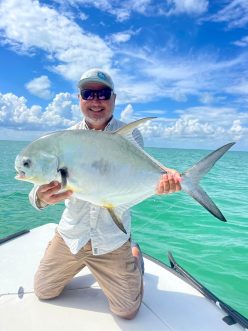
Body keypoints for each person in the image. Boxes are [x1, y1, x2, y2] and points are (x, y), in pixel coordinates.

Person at [29, 68, 181, 320]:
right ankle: (61, 254)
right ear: (79, 99)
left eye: (103, 94)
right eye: (88, 93)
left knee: (127, 312)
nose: (95, 100)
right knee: (44, 292)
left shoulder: (130, 133)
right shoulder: (63, 140)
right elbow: (37, 191)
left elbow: (142, 167)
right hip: (71, 235)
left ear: (114, 98)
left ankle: (134, 254)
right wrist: (40, 199)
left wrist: (169, 178)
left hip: (111, 238)